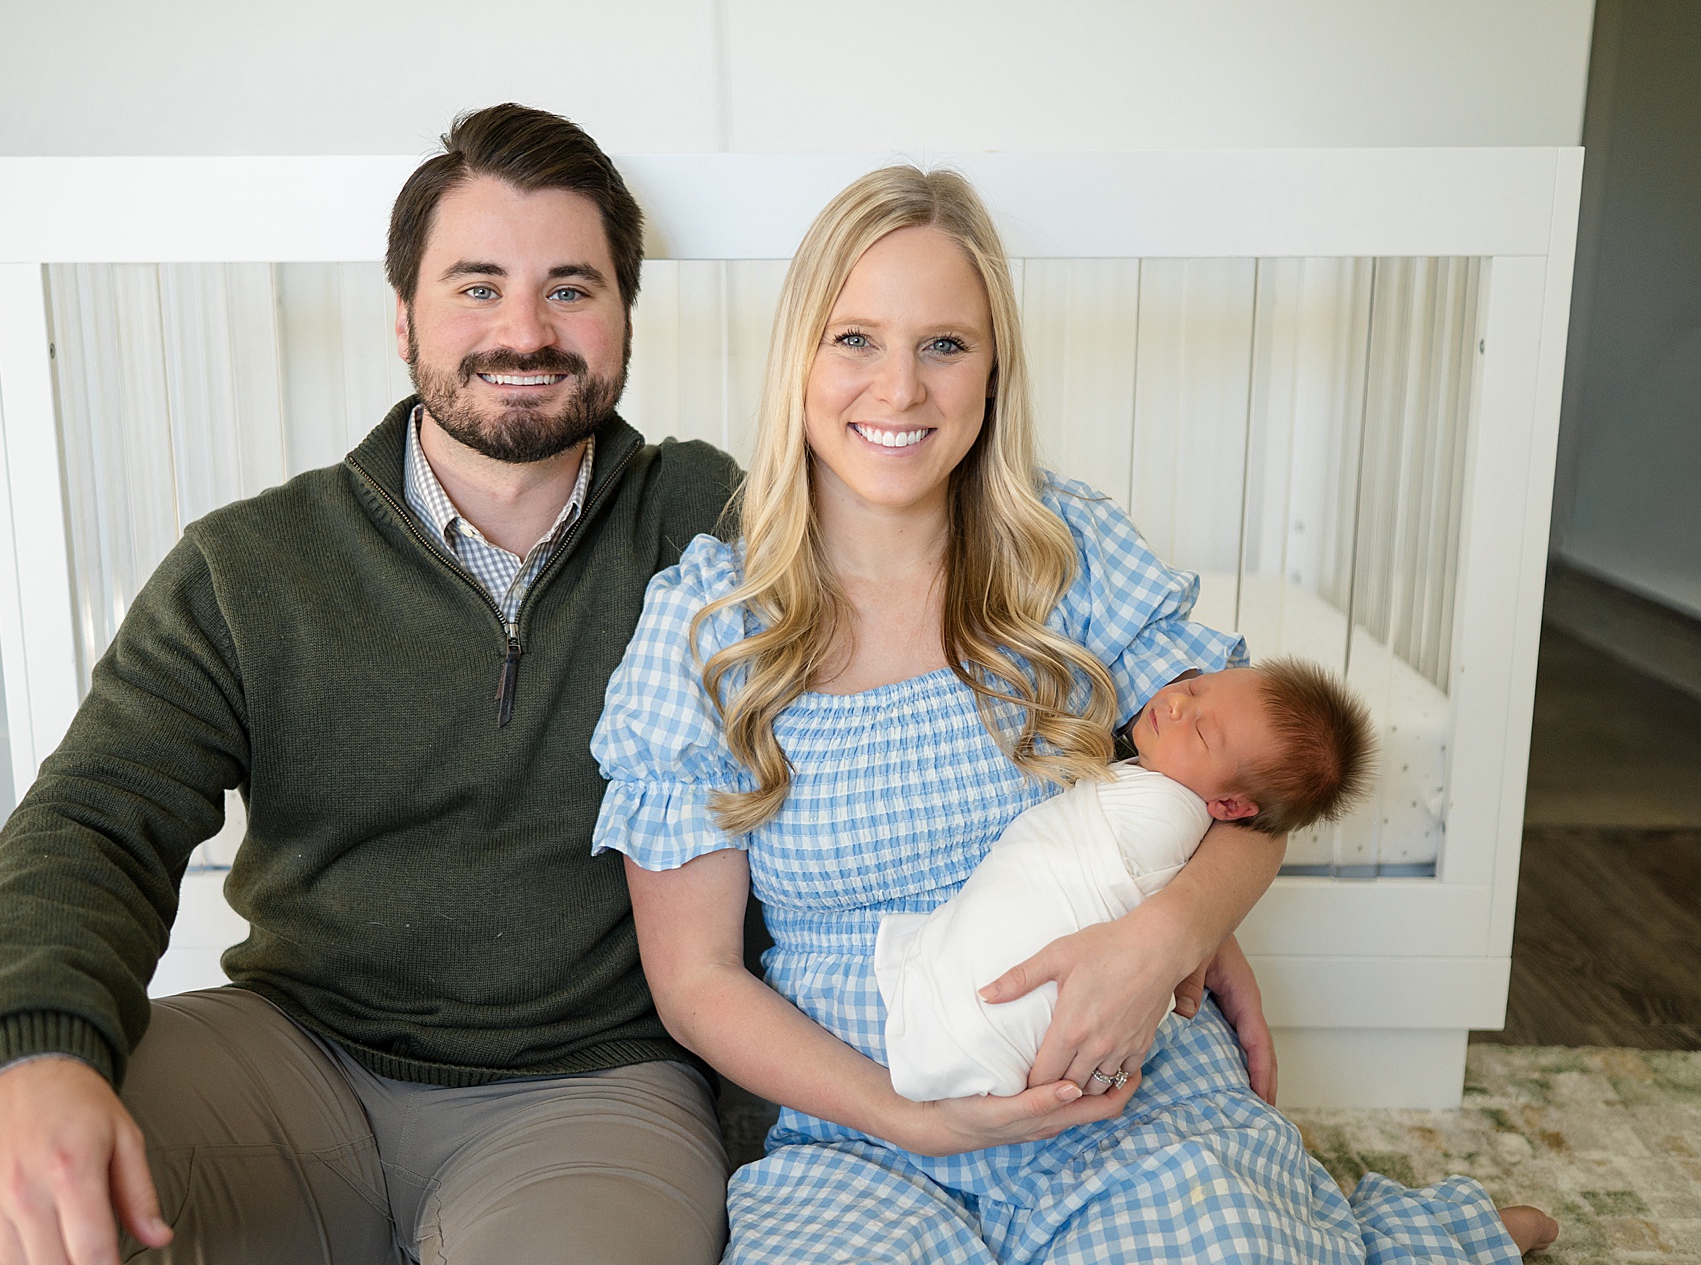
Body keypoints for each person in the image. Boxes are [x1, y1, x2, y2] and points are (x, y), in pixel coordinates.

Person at [590, 165, 1559, 1260]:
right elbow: (698, 980)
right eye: (854, 338)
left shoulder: (1070, 553)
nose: (899, 389)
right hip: (868, 1126)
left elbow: (1254, 792)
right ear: (798, 359)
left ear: (994, 368)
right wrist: (915, 1117)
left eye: (945, 344)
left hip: (1124, 1090)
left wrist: (1175, 932)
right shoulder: (709, 626)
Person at [0, 104, 746, 1265]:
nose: (524, 330)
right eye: (477, 286)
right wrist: (31, 1048)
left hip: (590, 1092)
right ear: (402, 317)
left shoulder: (715, 525)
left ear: (625, 316)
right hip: (297, 1056)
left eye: (570, 288)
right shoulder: (250, 564)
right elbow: (95, 815)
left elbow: (933, 613)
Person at [877, 660, 1374, 1103]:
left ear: (1229, 806)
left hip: (1006, 1027)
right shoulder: (1170, 789)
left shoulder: (1161, 819)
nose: (1176, 704)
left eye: (1202, 732)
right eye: (1196, 687)